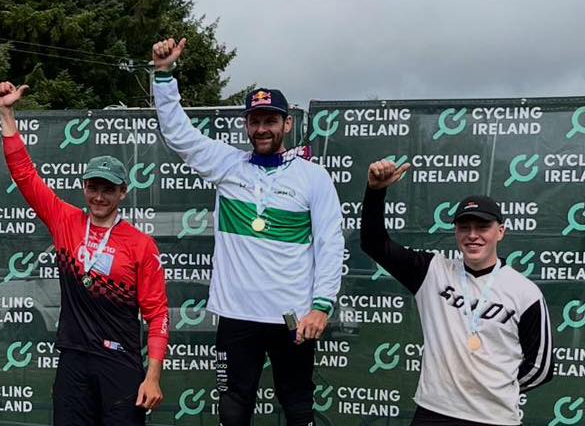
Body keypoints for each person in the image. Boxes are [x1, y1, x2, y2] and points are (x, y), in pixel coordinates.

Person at [151, 38, 344, 426]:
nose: (262, 129)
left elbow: (330, 243)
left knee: (298, 406)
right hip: (237, 315)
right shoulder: (227, 164)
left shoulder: (313, 177)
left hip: (293, 317)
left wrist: (322, 306)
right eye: (255, 121)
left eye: (270, 121)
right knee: (233, 408)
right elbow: (179, 134)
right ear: (246, 125)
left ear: (287, 124)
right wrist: (164, 74)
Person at [0, 81, 169, 426]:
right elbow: (25, 175)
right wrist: (6, 113)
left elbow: (158, 314)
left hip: (120, 363)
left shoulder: (140, 244)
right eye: (93, 187)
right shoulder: (65, 221)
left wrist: (152, 377)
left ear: (122, 193)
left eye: (108, 189)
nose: (99, 197)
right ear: (84, 186)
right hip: (74, 359)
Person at [361, 159, 552, 426]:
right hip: (433, 413)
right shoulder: (432, 271)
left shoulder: (524, 292)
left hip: (494, 419)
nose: (472, 235)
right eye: (464, 227)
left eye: (482, 227)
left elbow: (541, 367)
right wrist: (375, 191)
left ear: (500, 232)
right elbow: (374, 244)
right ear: (456, 232)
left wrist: (496, 388)